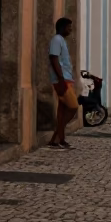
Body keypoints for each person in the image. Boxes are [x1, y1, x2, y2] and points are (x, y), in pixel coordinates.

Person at [48, 18, 78, 148]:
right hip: (62, 80)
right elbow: (53, 58)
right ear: (62, 27)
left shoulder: (61, 40)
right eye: (68, 27)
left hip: (65, 79)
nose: (70, 29)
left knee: (62, 110)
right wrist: (60, 79)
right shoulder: (56, 40)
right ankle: (59, 135)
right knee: (73, 107)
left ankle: (57, 140)